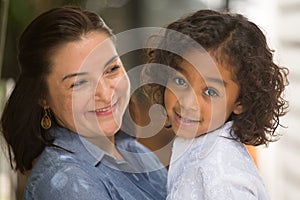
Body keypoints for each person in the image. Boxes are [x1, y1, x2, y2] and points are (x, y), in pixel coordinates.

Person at [0, 6, 167, 199]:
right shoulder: (67, 182)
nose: (105, 94)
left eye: (112, 69)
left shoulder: (131, 149)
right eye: (79, 83)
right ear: (43, 97)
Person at [142, 9, 289, 199]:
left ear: (241, 101)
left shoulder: (223, 173)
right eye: (179, 82)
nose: (187, 103)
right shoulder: (198, 144)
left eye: (210, 92)